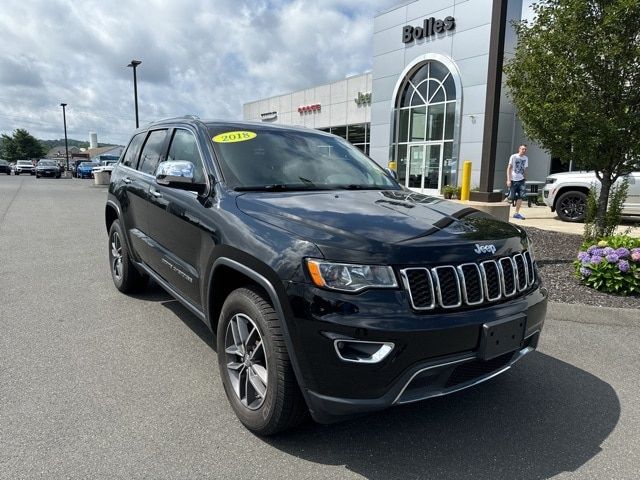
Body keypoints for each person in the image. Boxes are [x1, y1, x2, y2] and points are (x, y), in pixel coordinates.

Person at [507, 145, 528, 219]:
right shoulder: (514, 156)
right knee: (510, 197)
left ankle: (516, 213)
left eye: (525, 149)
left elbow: (524, 169)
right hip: (513, 180)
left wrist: (525, 178)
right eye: (523, 149)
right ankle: (501, 209)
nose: (524, 150)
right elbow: (509, 168)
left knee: (521, 196)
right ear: (519, 149)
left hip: (521, 180)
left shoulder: (526, 158)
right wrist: (508, 180)